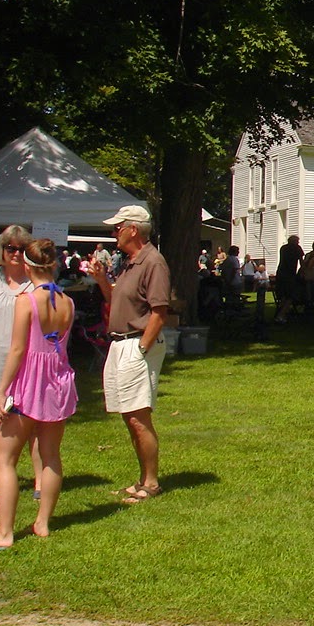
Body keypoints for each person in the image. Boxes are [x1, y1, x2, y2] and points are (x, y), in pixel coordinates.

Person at [0, 238, 78, 548]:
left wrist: (1, 391)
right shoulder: (68, 301)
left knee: (5, 457)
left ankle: (5, 532)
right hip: (58, 381)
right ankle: (42, 522)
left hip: (29, 384)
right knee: (51, 455)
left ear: (27, 266)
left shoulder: (25, 300)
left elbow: (17, 349)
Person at [88, 204, 172, 503]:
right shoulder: (128, 262)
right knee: (129, 416)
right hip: (120, 343)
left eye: (117, 227)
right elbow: (118, 299)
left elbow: (159, 311)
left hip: (137, 344)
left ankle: (151, 483)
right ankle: (142, 478)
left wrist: (141, 348)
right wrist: (101, 280)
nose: (114, 233)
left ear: (132, 229)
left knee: (138, 417)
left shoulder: (153, 262)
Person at [0, 225, 43, 501]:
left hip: (27, 358)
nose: (17, 254)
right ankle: (3, 477)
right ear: (2, 250)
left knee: (30, 421)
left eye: (22, 249)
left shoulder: (35, 281)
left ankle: (40, 482)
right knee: (0, 419)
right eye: (11, 248)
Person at [273, 235, 304, 323]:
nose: (298, 243)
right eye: (297, 241)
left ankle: (280, 314)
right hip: (290, 275)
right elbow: (301, 261)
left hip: (280, 273)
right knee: (290, 296)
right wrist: (303, 271)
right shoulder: (297, 248)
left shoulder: (283, 248)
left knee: (283, 296)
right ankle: (281, 315)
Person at [299, 241, 314, 314]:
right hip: (309, 276)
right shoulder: (309, 255)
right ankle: (308, 308)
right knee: (309, 294)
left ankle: (313, 308)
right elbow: (305, 264)